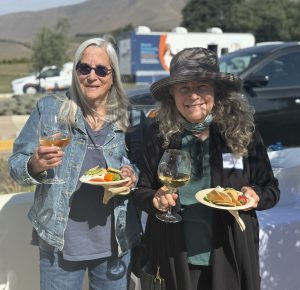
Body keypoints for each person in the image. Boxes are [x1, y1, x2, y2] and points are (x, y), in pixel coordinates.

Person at [134, 47, 280, 290]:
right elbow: (141, 191)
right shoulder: (158, 135)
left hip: (230, 252)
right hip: (173, 254)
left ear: (216, 91)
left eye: (202, 86)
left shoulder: (241, 133)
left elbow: (271, 189)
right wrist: (154, 200)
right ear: (172, 94)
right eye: (184, 88)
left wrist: (256, 196)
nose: (193, 96)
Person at [8, 37, 146, 290]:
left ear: (113, 75)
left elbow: (140, 165)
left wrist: (132, 173)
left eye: (101, 70)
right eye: (84, 68)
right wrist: (35, 165)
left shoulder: (129, 115)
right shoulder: (50, 109)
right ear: (75, 71)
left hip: (115, 242)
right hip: (60, 241)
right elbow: (16, 166)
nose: (92, 76)